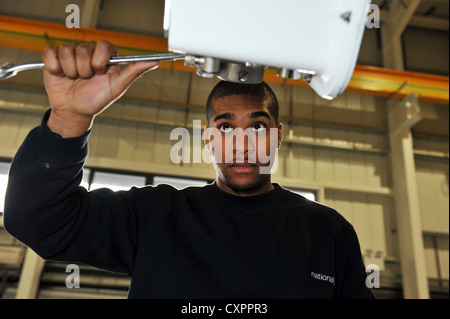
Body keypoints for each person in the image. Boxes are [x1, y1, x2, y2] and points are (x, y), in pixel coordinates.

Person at [4, 41, 374, 299]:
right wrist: (70, 116)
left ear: (277, 137)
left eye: (257, 127)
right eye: (226, 127)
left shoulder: (328, 231)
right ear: (209, 139)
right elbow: (37, 220)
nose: (242, 143)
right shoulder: (155, 215)